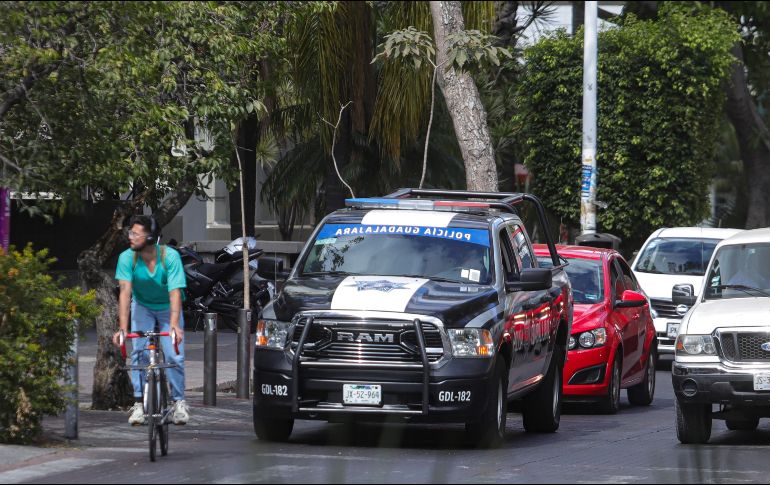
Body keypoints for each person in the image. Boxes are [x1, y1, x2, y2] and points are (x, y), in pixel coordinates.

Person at [111, 215, 189, 426]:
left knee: (174, 354)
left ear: (150, 237)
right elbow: (125, 293)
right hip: (142, 306)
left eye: (136, 234)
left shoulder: (169, 257)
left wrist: (174, 326)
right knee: (138, 353)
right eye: (131, 232)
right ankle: (139, 404)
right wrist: (123, 329)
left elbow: (174, 292)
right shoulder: (127, 258)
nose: (131, 237)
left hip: (168, 308)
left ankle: (177, 402)